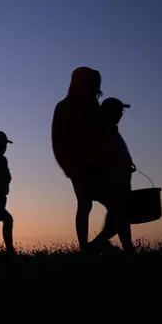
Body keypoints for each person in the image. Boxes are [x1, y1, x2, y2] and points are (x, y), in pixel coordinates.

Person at [52, 67, 105, 251]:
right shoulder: (64, 107)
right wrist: (67, 166)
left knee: (116, 204)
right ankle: (85, 248)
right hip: (78, 166)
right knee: (85, 204)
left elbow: (102, 135)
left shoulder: (93, 106)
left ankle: (97, 243)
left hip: (98, 165)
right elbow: (57, 139)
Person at [90, 98, 136, 253]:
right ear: (110, 112)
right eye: (118, 111)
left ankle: (97, 244)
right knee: (120, 215)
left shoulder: (110, 129)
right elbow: (102, 156)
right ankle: (127, 249)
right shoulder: (103, 130)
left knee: (117, 217)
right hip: (111, 181)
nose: (121, 114)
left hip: (119, 180)